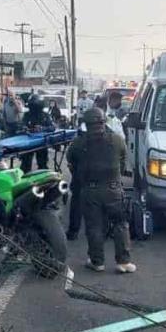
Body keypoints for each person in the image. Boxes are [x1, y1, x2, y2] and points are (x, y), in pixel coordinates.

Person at [66, 108, 135, 274]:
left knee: (94, 226)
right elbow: (124, 162)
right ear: (103, 122)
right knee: (120, 224)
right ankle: (124, 262)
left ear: (86, 124)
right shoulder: (117, 140)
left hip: (90, 190)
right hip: (113, 189)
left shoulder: (78, 143)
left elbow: (71, 163)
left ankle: (97, 262)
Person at [20, 94, 55, 173]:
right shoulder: (27, 115)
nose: (33, 108)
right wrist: (24, 128)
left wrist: (42, 128)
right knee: (25, 165)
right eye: (32, 106)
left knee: (42, 164)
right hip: (28, 143)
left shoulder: (45, 115)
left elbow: (52, 127)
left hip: (41, 142)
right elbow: (21, 125)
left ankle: (44, 180)